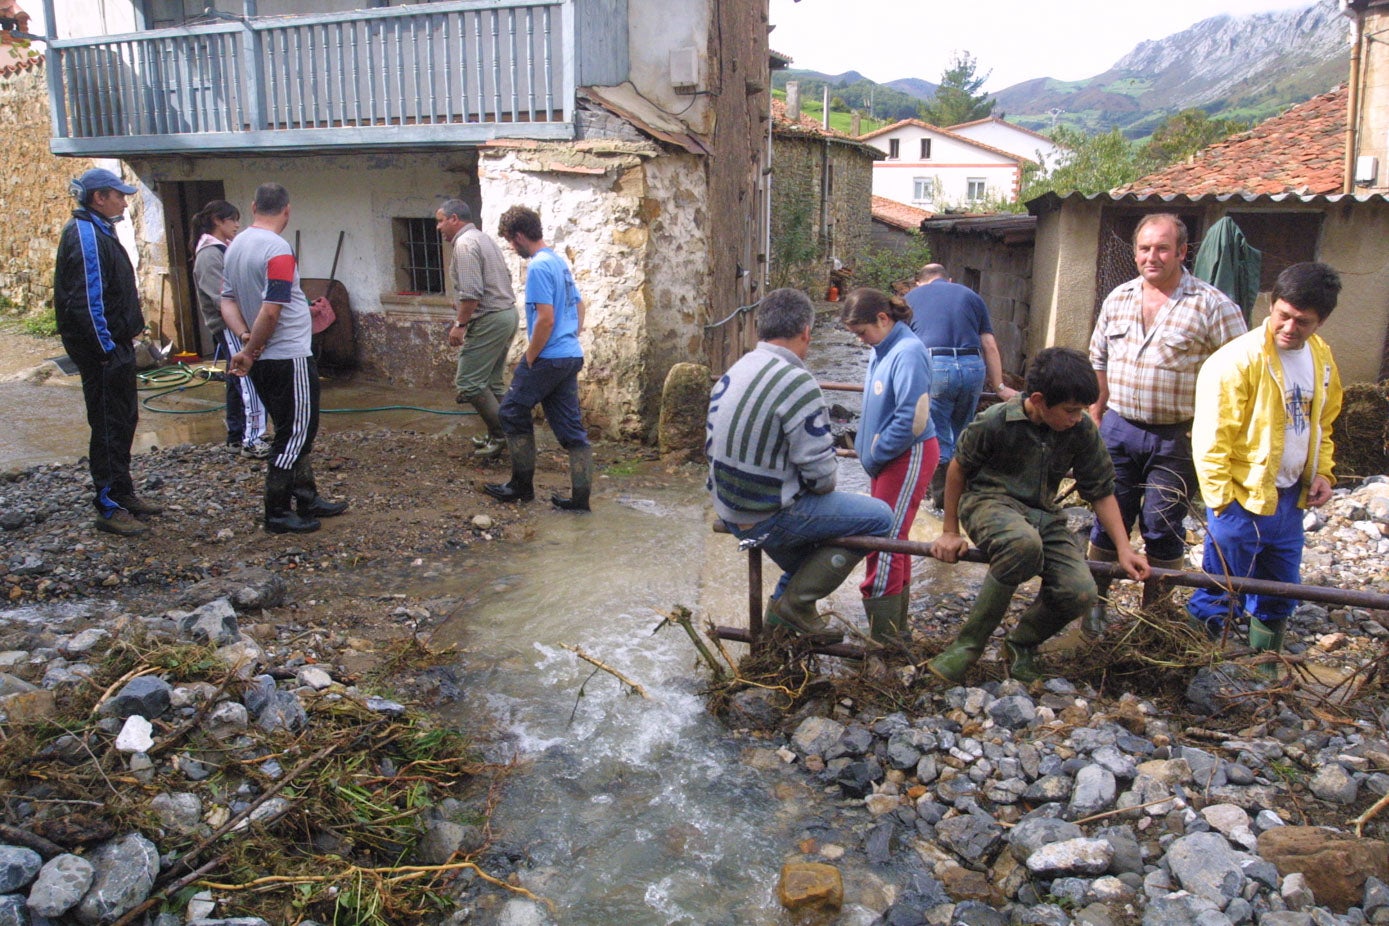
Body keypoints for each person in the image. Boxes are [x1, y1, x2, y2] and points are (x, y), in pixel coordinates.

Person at [929, 348, 1149, 683]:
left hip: (1044, 514)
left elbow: (1101, 490)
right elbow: (957, 469)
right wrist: (950, 530)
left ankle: (1022, 642)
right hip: (989, 502)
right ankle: (968, 645)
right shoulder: (996, 420)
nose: (1076, 418)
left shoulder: (1081, 430)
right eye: (1070, 410)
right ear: (1039, 399)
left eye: (1082, 410)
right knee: (1022, 545)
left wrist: (1123, 548)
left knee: (1081, 592)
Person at [1086, 213, 1247, 635]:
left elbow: (1240, 373)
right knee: (1108, 517)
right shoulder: (1118, 298)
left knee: (1161, 524)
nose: (1151, 257)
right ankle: (1095, 606)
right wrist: (1096, 411)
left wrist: (1215, 430)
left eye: (1161, 248)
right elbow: (1098, 358)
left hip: (1178, 435)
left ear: (1181, 252)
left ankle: (1153, 616)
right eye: (1144, 248)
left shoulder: (1212, 305)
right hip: (1118, 428)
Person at [707, 288, 894, 637]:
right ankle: (795, 605)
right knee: (880, 517)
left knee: (812, 557)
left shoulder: (737, 369)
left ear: (760, 329)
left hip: (728, 509)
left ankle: (775, 633)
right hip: (765, 515)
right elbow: (824, 478)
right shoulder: (797, 381)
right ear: (807, 332)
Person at [1186, 262, 1343, 665]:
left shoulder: (1321, 360)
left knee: (1281, 587)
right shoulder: (1236, 361)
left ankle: (1262, 670)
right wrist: (1221, 501)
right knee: (1221, 586)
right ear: (1271, 306)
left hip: (1290, 497)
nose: (1289, 327)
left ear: (1320, 321)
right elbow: (1211, 437)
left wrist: (1322, 471)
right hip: (1240, 498)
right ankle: (1202, 665)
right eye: (1283, 316)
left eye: (1302, 322)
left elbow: (1322, 421)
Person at [221, 183, 348, 534]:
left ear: (252, 207)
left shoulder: (236, 246)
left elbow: (227, 300)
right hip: (287, 355)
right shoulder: (277, 249)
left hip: (264, 354)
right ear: (287, 210)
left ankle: (307, 497)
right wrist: (251, 349)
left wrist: (246, 337)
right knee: (297, 434)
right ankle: (276, 511)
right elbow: (272, 309)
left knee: (289, 428)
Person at [53, 167, 162, 537]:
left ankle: (123, 491)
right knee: (107, 428)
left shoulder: (100, 228)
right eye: (118, 194)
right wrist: (105, 351)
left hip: (116, 348)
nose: (124, 200)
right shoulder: (84, 234)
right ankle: (108, 506)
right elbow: (86, 300)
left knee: (123, 421)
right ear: (99, 198)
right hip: (103, 353)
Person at [840, 287, 940, 642]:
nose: (862, 341)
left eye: (862, 332)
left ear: (883, 319)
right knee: (894, 537)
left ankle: (883, 641)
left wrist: (877, 453)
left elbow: (913, 417)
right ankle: (897, 632)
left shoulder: (908, 351)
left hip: (905, 454)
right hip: (889, 458)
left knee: (882, 541)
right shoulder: (883, 348)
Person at [484, 206, 592, 511]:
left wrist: (528, 357)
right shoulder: (558, 262)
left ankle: (521, 487)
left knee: (511, 411)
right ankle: (581, 500)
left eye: (509, 240)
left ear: (519, 236)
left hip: (548, 357)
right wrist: (570, 334)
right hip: (569, 355)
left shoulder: (539, 267)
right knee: (572, 432)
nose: (510, 246)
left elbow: (545, 319)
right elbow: (580, 306)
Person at [904, 263, 1015, 508]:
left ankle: (942, 504)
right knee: (962, 432)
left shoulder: (911, 298)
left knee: (937, 435)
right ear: (949, 279)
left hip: (937, 365)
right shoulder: (971, 296)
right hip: (973, 365)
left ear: (920, 282)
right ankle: (964, 496)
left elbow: (904, 347)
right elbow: (990, 345)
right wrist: (999, 387)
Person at [436, 199, 519, 459]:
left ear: (454, 219)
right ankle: (515, 436)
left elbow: (472, 293)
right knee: (491, 382)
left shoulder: (464, 244)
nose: (438, 227)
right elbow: (505, 276)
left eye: (440, 220)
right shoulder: (483, 239)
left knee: (469, 383)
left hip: (490, 318)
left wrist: (460, 325)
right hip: (507, 314)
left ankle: (501, 436)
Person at [191, 200, 271, 460]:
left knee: (236, 376)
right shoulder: (209, 254)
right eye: (232, 220)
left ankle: (237, 436)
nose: (237, 225)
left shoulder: (223, 249)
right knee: (249, 378)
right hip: (230, 326)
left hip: (235, 324)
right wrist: (244, 329)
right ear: (217, 220)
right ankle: (254, 439)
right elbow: (221, 298)